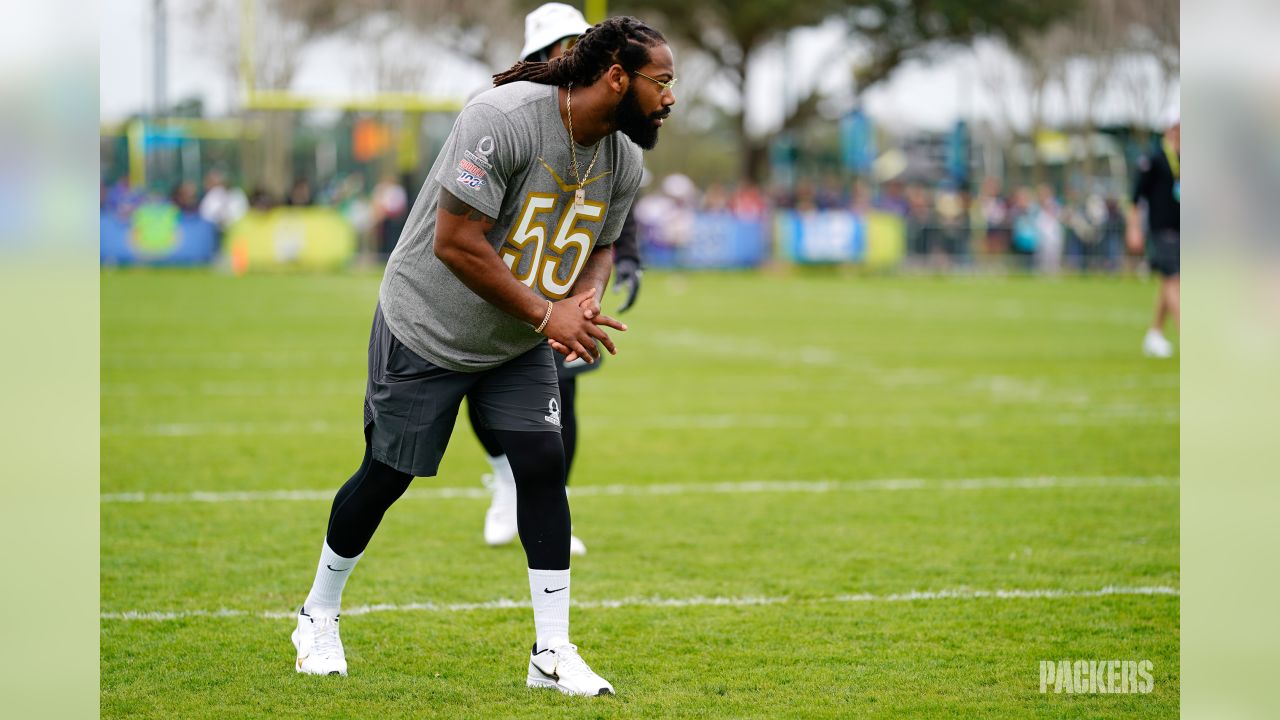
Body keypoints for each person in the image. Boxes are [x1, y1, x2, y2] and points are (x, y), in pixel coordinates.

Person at [291, 16, 676, 697]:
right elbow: (456, 241)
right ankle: (316, 613)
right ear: (617, 77)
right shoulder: (502, 119)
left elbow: (604, 243)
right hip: (430, 324)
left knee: (541, 463)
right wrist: (545, 310)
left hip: (516, 339)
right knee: (386, 476)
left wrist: (582, 299)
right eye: (662, 82)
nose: (671, 98)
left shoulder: (626, 157)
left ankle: (550, 651)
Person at [474, 2, 645, 557]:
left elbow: (617, 201)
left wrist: (627, 258)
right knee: (479, 394)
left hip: (565, 281)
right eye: (561, 46)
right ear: (538, 57)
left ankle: (551, 504)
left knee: (559, 401)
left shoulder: (608, 125)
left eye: (579, 43)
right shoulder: (509, 115)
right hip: (504, 280)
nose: (573, 56)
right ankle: (504, 480)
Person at [1128, 114, 1180, 358]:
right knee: (1174, 280)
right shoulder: (1154, 159)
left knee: (1168, 282)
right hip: (1162, 230)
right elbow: (1135, 199)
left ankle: (1155, 333)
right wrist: (1134, 228)